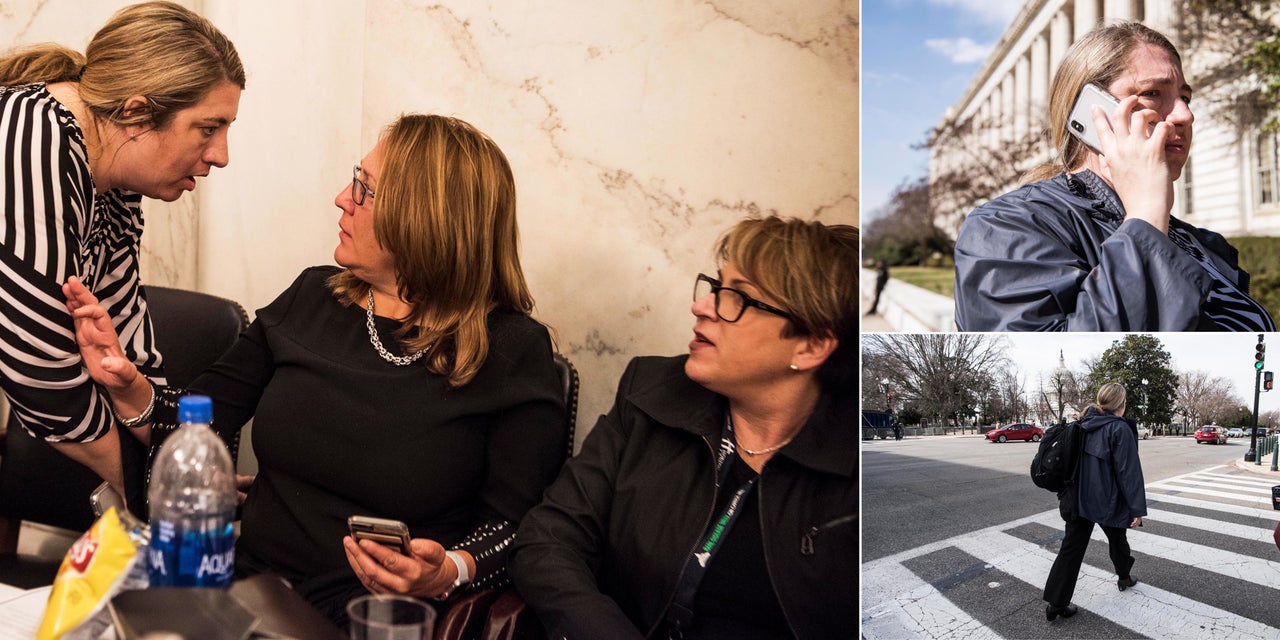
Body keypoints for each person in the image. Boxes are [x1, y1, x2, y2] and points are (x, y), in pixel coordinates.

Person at [67, 114, 568, 626]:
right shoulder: (314, 296)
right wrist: (128, 385)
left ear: (424, 218)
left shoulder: (511, 351)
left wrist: (449, 571)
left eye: (365, 190)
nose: (342, 198)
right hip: (241, 594)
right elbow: (199, 421)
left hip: (373, 617)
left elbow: (520, 528)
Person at [508, 216, 857, 639]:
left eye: (738, 298)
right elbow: (547, 540)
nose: (702, 306)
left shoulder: (855, 474)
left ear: (811, 345)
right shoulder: (651, 394)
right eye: (715, 287)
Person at [0, 1, 244, 501]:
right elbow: (43, 378)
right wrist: (168, 492)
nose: (221, 154)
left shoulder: (113, 176)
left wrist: (177, 464)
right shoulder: (30, 138)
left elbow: (128, 351)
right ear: (135, 114)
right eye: (207, 127)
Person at [953, 21, 1274, 332]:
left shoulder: (1201, 242)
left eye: (1185, 98)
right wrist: (1147, 216)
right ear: (1091, 111)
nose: (1185, 115)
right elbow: (1069, 355)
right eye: (1152, 93)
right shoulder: (1004, 227)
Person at [1043, 382, 1146, 621]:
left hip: (1078, 500)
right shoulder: (1118, 429)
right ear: (1121, 404)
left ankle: (1055, 605)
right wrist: (1136, 509)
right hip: (1107, 500)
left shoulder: (1082, 424)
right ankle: (1124, 577)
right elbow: (1128, 473)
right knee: (1118, 541)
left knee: (1070, 550)